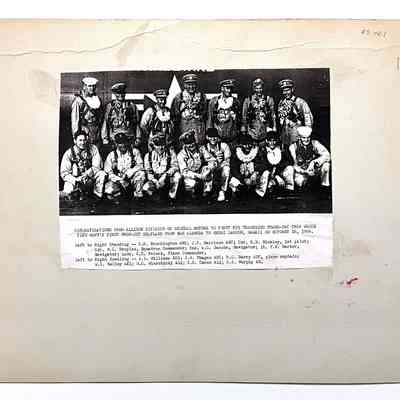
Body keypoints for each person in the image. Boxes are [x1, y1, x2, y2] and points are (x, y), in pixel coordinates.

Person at [60, 130, 106, 208]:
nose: (83, 142)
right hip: (76, 179)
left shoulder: (93, 148)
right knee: (68, 192)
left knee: (102, 174)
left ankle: (97, 197)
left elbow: (97, 166)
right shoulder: (69, 153)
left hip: (89, 177)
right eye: (80, 140)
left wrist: (87, 174)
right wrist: (75, 180)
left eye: (84, 140)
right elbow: (64, 173)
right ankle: (75, 200)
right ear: (75, 141)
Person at [103, 132, 146, 203]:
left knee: (141, 174)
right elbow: (108, 172)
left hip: (131, 179)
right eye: (120, 143)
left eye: (124, 142)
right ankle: (118, 199)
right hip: (118, 181)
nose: (123, 145)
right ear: (116, 144)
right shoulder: (111, 155)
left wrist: (128, 173)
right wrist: (120, 180)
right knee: (109, 189)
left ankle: (138, 197)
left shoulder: (134, 152)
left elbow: (140, 165)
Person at [143, 134, 181, 204]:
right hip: (155, 179)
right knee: (146, 188)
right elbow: (148, 172)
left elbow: (175, 166)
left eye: (162, 145)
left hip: (167, 178)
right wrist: (154, 180)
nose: (161, 148)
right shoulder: (148, 156)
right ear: (153, 145)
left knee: (177, 176)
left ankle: (172, 197)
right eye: (158, 145)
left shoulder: (171, 153)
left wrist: (166, 175)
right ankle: (157, 198)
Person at [177, 130, 216, 199]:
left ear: (195, 141)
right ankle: (191, 194)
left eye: (192, 142)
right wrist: (198, 176)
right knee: (192, 186)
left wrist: (209, 169)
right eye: (188, 143)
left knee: (207, 170)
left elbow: (212, 160)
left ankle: (207, 192)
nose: (191, 145)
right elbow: (184, 171)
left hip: (201, 172)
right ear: (185, 145)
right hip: (190, 175)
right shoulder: (181, 155)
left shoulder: (201, 149)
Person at [101, 82, 141, 148]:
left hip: (129, 138)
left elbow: (136, 123)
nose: (121, 95)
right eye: (118, 93)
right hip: (114, 139)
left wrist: (138, 138)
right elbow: (105, 123)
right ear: (115, 94)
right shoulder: (110, 107)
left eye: (122, 93)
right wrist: (105, 139)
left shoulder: (132, 106)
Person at [171, 73, 207, 146]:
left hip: (198, 129)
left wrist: (198, 108)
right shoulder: (178, 98)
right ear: (184, 85)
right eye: (188, 84)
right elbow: (174, 116)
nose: (191, 87)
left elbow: (206, 114)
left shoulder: (202, 97)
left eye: (193, 84)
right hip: (184, 128)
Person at [277, 78, 313, 148]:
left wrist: (306, 136)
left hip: (296, 134)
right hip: (285, 134)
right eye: (284, 91)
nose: (286, 93)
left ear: (292, 90)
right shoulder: (281, 102)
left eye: (287, 90)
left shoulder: (300, 102)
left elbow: (308, 119)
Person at [207, 79, 241, 148]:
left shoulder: (236, 102)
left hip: (232, 138)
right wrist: (210, 136)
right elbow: (210, 119)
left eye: (231, 88)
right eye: (227, 88)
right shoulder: (214, 101)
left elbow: (239, 120)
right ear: (222, 88)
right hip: (218, 138)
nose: (229, 90)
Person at [241, 78, 277, 143]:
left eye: (260, 88)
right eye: (257, 88)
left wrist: (274, 126)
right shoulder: (248, 100)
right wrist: (243, 126)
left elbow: (273, 114)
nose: (259, 90)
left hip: (265, 129)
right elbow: (244, 115)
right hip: (252, 130)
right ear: (254, 89)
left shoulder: (268, 99)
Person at [71, 77, 103, 147]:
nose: (92, 88)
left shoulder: (97, 99)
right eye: (89, 86)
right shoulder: (78, 101)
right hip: (85, 132)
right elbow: (75, 121)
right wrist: (76, 137)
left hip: (97, 132)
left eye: (94, 86)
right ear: (84, 87)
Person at [204, 127, 231, 202]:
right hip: (210, 169)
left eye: (215, 136)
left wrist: (219, 164)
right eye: (210, 137)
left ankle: (222, 191)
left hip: (221, 167)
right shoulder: (204, 148)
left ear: (217, 137)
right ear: (207, 137)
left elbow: (227, 160)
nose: (213, 139)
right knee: (207, 168)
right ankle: (207, 190)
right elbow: (203, 161)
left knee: (226, 168)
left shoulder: (223, 145)